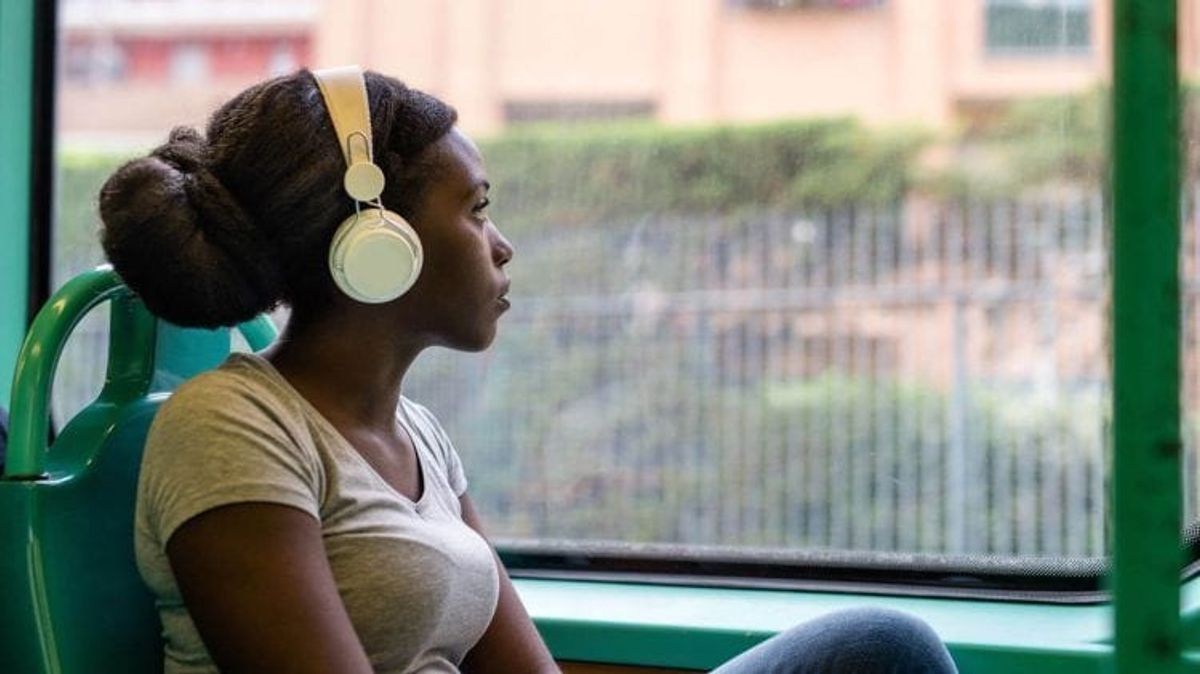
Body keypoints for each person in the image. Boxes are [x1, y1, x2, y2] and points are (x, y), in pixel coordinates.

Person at [98, 67, 958, 674]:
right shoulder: (229, 424)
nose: (503, 245)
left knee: (880, 646)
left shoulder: (423, 439)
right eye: (475, 211)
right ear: (375, 243)